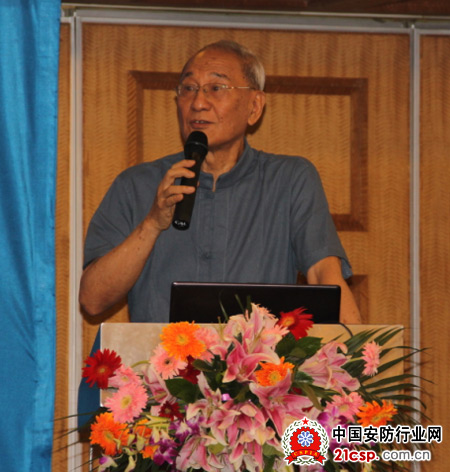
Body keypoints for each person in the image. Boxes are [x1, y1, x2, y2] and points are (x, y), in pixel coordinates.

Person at [79, 40, 361, 324]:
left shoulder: (290, 180)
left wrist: (359, 348)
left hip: (259, 354)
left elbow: (324, 276)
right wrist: (152, 223)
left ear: (254, 106)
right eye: (188, 88)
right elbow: (92, 300)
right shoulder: (136, 185)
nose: (198, 103)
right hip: (164, 354)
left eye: (216, 88)